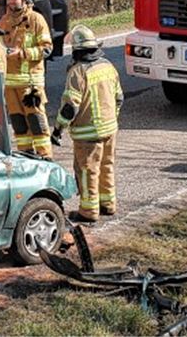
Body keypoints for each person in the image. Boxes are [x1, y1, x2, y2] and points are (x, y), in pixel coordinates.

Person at [51, 25, 123, 223]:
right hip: (110, 129)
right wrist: (112, 119)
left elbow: (69, 108)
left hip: (87, 134)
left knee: (87, 171)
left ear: (76, 50)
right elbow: (119, 98)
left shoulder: (77, 72)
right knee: (107, 166)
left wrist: (58, 129)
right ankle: (108, 204)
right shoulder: (108, 66)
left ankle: (88, 211)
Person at [0, 0, 53, 157]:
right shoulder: (4, 22)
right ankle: (26, 154)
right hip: (10, 84)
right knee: (18, 123)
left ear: (24, 0)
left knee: (36, 121)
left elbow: (46, 49)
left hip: (31, 83)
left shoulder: (36, 20)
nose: (12, 1)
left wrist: (22, 53)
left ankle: (45, 156)